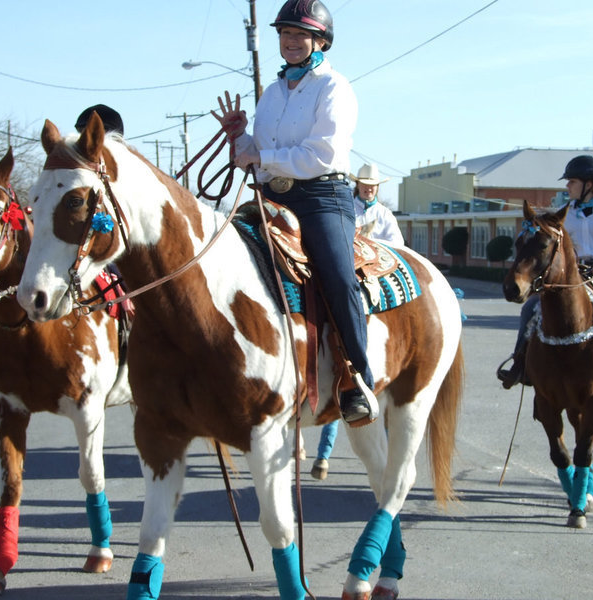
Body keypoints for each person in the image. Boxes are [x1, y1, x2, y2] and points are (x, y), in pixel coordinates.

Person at [212, 0, 377, 425]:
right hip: (273, 197)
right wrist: (239, 137)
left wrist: (260, 153)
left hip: (323, 196)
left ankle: (357, 377)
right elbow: (256, 156)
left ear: (320, 40)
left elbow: (320, 155)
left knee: (338, 278)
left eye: (299, 35)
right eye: (284, 34)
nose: (290, 42)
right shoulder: (271, 94)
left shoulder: (334, 87)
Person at [497, 155, 593, 394]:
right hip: (571, 273)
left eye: (572, 181)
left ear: (590, 184)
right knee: (528, 310)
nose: (567, 186)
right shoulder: (566, 213)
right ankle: (519, 363)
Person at [310, 163, 403, 480]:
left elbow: (398, 249)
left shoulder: (386, 216)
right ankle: (323, 454)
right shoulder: (344, 204)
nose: (369, 188)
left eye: (373, 185)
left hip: (373, 274)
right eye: (364, 184)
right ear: (358, 185)